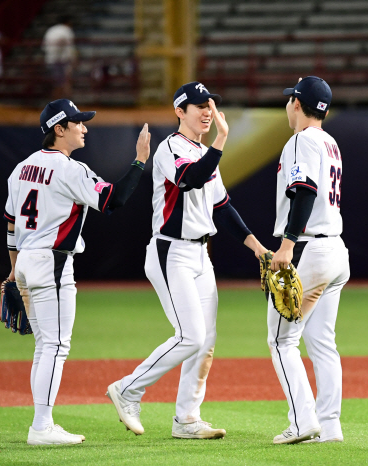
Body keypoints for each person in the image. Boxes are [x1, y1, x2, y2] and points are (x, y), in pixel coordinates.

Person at [106, 82, 268, 440]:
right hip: (171, 252)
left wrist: (256, 246)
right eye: (199, 105)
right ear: (180, 111)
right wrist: (222, 141)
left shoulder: (205, 152)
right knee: (190, 336)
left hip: (200, 253)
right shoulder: (170, 148)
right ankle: (129, 389)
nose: (208, 110)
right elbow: (190, 179)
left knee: (206, 341)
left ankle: (187, 420)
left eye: (211, 104)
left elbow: (221, 206)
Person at [4, 99, 151, 445]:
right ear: (59, 129)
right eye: (77, 122)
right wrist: (139, 160)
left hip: (26, 259)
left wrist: (13, 272)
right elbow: (113, 199)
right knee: (55, 346)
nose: (84, 127)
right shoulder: (71, 169)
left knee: (45, 346)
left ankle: (44, 422)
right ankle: (40, 427)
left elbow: (11, 224)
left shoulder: (21, 168)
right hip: (52, 263)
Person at [268, 76, 350, 444]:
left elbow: (303, 191)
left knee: (282, 340)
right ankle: (329, 425)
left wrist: (287, 245)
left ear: (297, 104)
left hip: (309, 250)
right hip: (336, 252)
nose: (288, 105)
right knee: (322, 341)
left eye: (291, 100)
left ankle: (303, 422)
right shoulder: (330, 142)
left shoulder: (301, 140)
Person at [42, 16, 76, 98]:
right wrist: (74, 59)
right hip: (61, 60)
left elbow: (44, 46)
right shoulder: (66, 30)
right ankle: (61, 103)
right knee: (62, 83)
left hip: (50, 59)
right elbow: (70, 47)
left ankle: (62, 103)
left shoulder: (51, 30)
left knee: (59, 82)